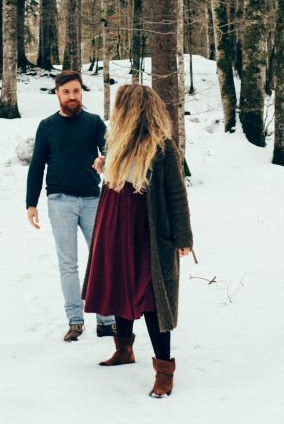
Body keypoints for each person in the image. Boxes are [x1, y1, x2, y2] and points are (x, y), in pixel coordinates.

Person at [82, 84, 193, 398]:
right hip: (114, 223)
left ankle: (164, 371)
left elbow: (176, 194)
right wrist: (105, 166)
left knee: (151, 296)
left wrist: (184, 237)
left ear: (133, 110)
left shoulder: (163, 146)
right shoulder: (116, 141)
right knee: (119, 285)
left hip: (146, 229)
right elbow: (122, 177)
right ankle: (124, 350)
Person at [26, 70, 117, 342]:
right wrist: (31, 203)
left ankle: (106, 320)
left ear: (81, 92)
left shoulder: (93, 123)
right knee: (68, 264)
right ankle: (75, 320)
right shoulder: (47, 126)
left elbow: (112, 150)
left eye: (76, 91)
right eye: (66, 92)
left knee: (102, 259)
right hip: (60, 200)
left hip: (92, 199)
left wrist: (105, 160)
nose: (72, 96)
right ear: (57, 94)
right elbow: (37, 165)